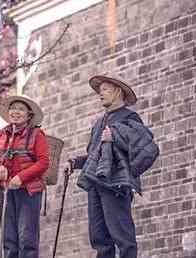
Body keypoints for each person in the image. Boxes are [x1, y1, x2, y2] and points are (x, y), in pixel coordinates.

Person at [64, 76, 159, 258]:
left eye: (105, 89)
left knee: (123, 237)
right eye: (100, 90)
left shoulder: (130, 117)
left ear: (118, 92)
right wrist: (74, 163)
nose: (100, 94)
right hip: (95, 184)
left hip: (116, 185)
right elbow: (94, 157)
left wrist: (116, 137)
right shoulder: (99, 123)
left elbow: (145, 149)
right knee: (99, 239)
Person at [0, 95, 50, 258]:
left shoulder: (37, 134)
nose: (16, 112)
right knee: (8, 238)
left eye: (21, 109)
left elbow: (43, 162)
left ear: (29, 115)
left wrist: (21, 177)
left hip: (28, 191)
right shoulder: (2, 135)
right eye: (13, 108)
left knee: (26, 237)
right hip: (7, 191)